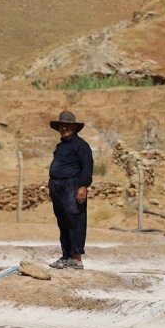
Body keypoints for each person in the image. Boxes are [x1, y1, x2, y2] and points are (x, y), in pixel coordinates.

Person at [47, 111, 94, 270]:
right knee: (63, 222)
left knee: (75, 221)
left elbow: (87, 167)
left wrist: (83, 186)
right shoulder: (60, 146)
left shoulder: (81, 146)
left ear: (75, 127)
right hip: (58, 187)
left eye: (68, 125)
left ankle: (76, 258)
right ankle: (66, 255)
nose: (64, 127)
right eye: (62, 125)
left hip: (72, 186)